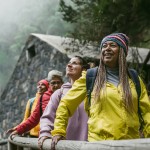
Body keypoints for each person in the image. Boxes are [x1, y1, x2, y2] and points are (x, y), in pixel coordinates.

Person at [51, 33, 150, 149]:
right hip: (99, 145)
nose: (107, 49)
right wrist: (58, 130)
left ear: (122, 51)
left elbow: (146, 113)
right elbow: (66, 104)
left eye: (112, 45)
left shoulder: (134, 79)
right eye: (104, 46)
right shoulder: (91, 77)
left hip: (130, 145)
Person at [38, 56, 89, 149]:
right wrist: (45, 133)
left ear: (84, 69)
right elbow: (48, 117)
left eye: (74, 63)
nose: (69, 65)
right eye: (69, 63)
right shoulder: (59, 93)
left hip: (89, 145)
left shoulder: (92, 90)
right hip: (64, 145)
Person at [6, 70, 63, 138]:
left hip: (63, 134)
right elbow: (33, 119)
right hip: (45, 135)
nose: (56, 85)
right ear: (49, 84)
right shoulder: (42, 98)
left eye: (58, 83)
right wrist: (18, 129)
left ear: (62, 83)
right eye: (53, 83)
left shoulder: (66, 95)